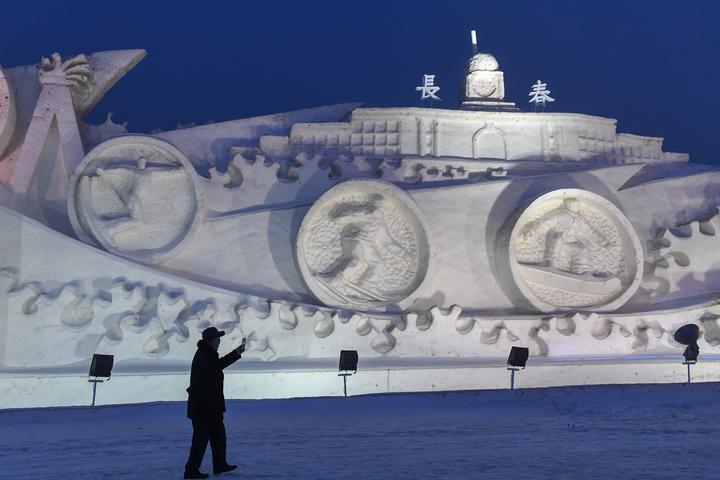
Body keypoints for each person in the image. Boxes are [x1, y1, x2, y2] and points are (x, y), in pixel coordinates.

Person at [184, 327, 245, 479]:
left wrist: (236, 353)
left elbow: (217, 366)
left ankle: (220, 465)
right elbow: (206, 381)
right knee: (200, 441)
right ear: (210, 340)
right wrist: (236, 354)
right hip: (203, 409)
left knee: (218, 438)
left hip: (210, 408)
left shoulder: (207, 353)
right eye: (217, 338)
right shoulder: (204, 355)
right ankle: (191, 470)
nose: (219, 340)